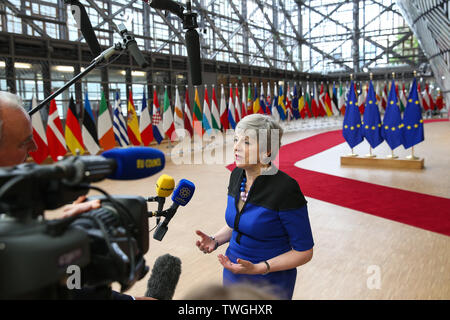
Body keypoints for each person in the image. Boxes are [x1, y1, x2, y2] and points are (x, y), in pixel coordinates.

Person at [195, 113, 314, 300]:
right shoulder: (236, 175)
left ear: (267, 151)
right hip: (233, 271)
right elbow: (238, 223)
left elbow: (304, 252)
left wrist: (260, 268)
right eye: (236, 140)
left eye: (247, 143)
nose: (236, 147)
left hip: (270, 282)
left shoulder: (285, 188)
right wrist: (214, 240)